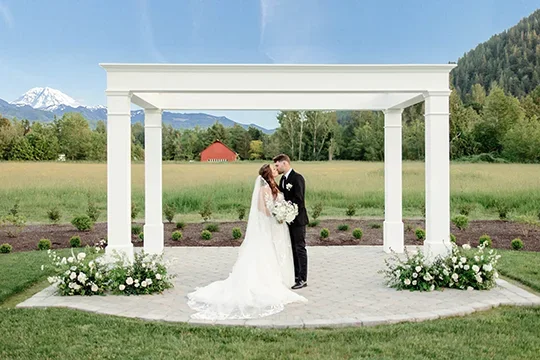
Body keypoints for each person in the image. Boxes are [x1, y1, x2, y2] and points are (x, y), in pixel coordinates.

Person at [186, 164, 307, 320]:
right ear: (269, 173)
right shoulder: (264, 189)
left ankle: (280, 277)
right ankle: (263, 281)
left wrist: (280, 210)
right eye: (273, 168)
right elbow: (261, 208)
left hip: (273, 225)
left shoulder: (274, 185)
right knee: (264, 252)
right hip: (266, 225)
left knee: (271, 252)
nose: (276, 169)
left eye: (276, 167)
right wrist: (276, 213)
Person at [273, 154, 309, 289]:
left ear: (285, 163)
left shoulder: (297, 178)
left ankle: (303, 278)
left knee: (300, 247)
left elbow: (299, 199)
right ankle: (295, 274)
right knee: (292, 248)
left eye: (277, 165)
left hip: (298, 219)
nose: (276, 168)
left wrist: (286, 208)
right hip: (287, 219)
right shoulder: (283, 179)